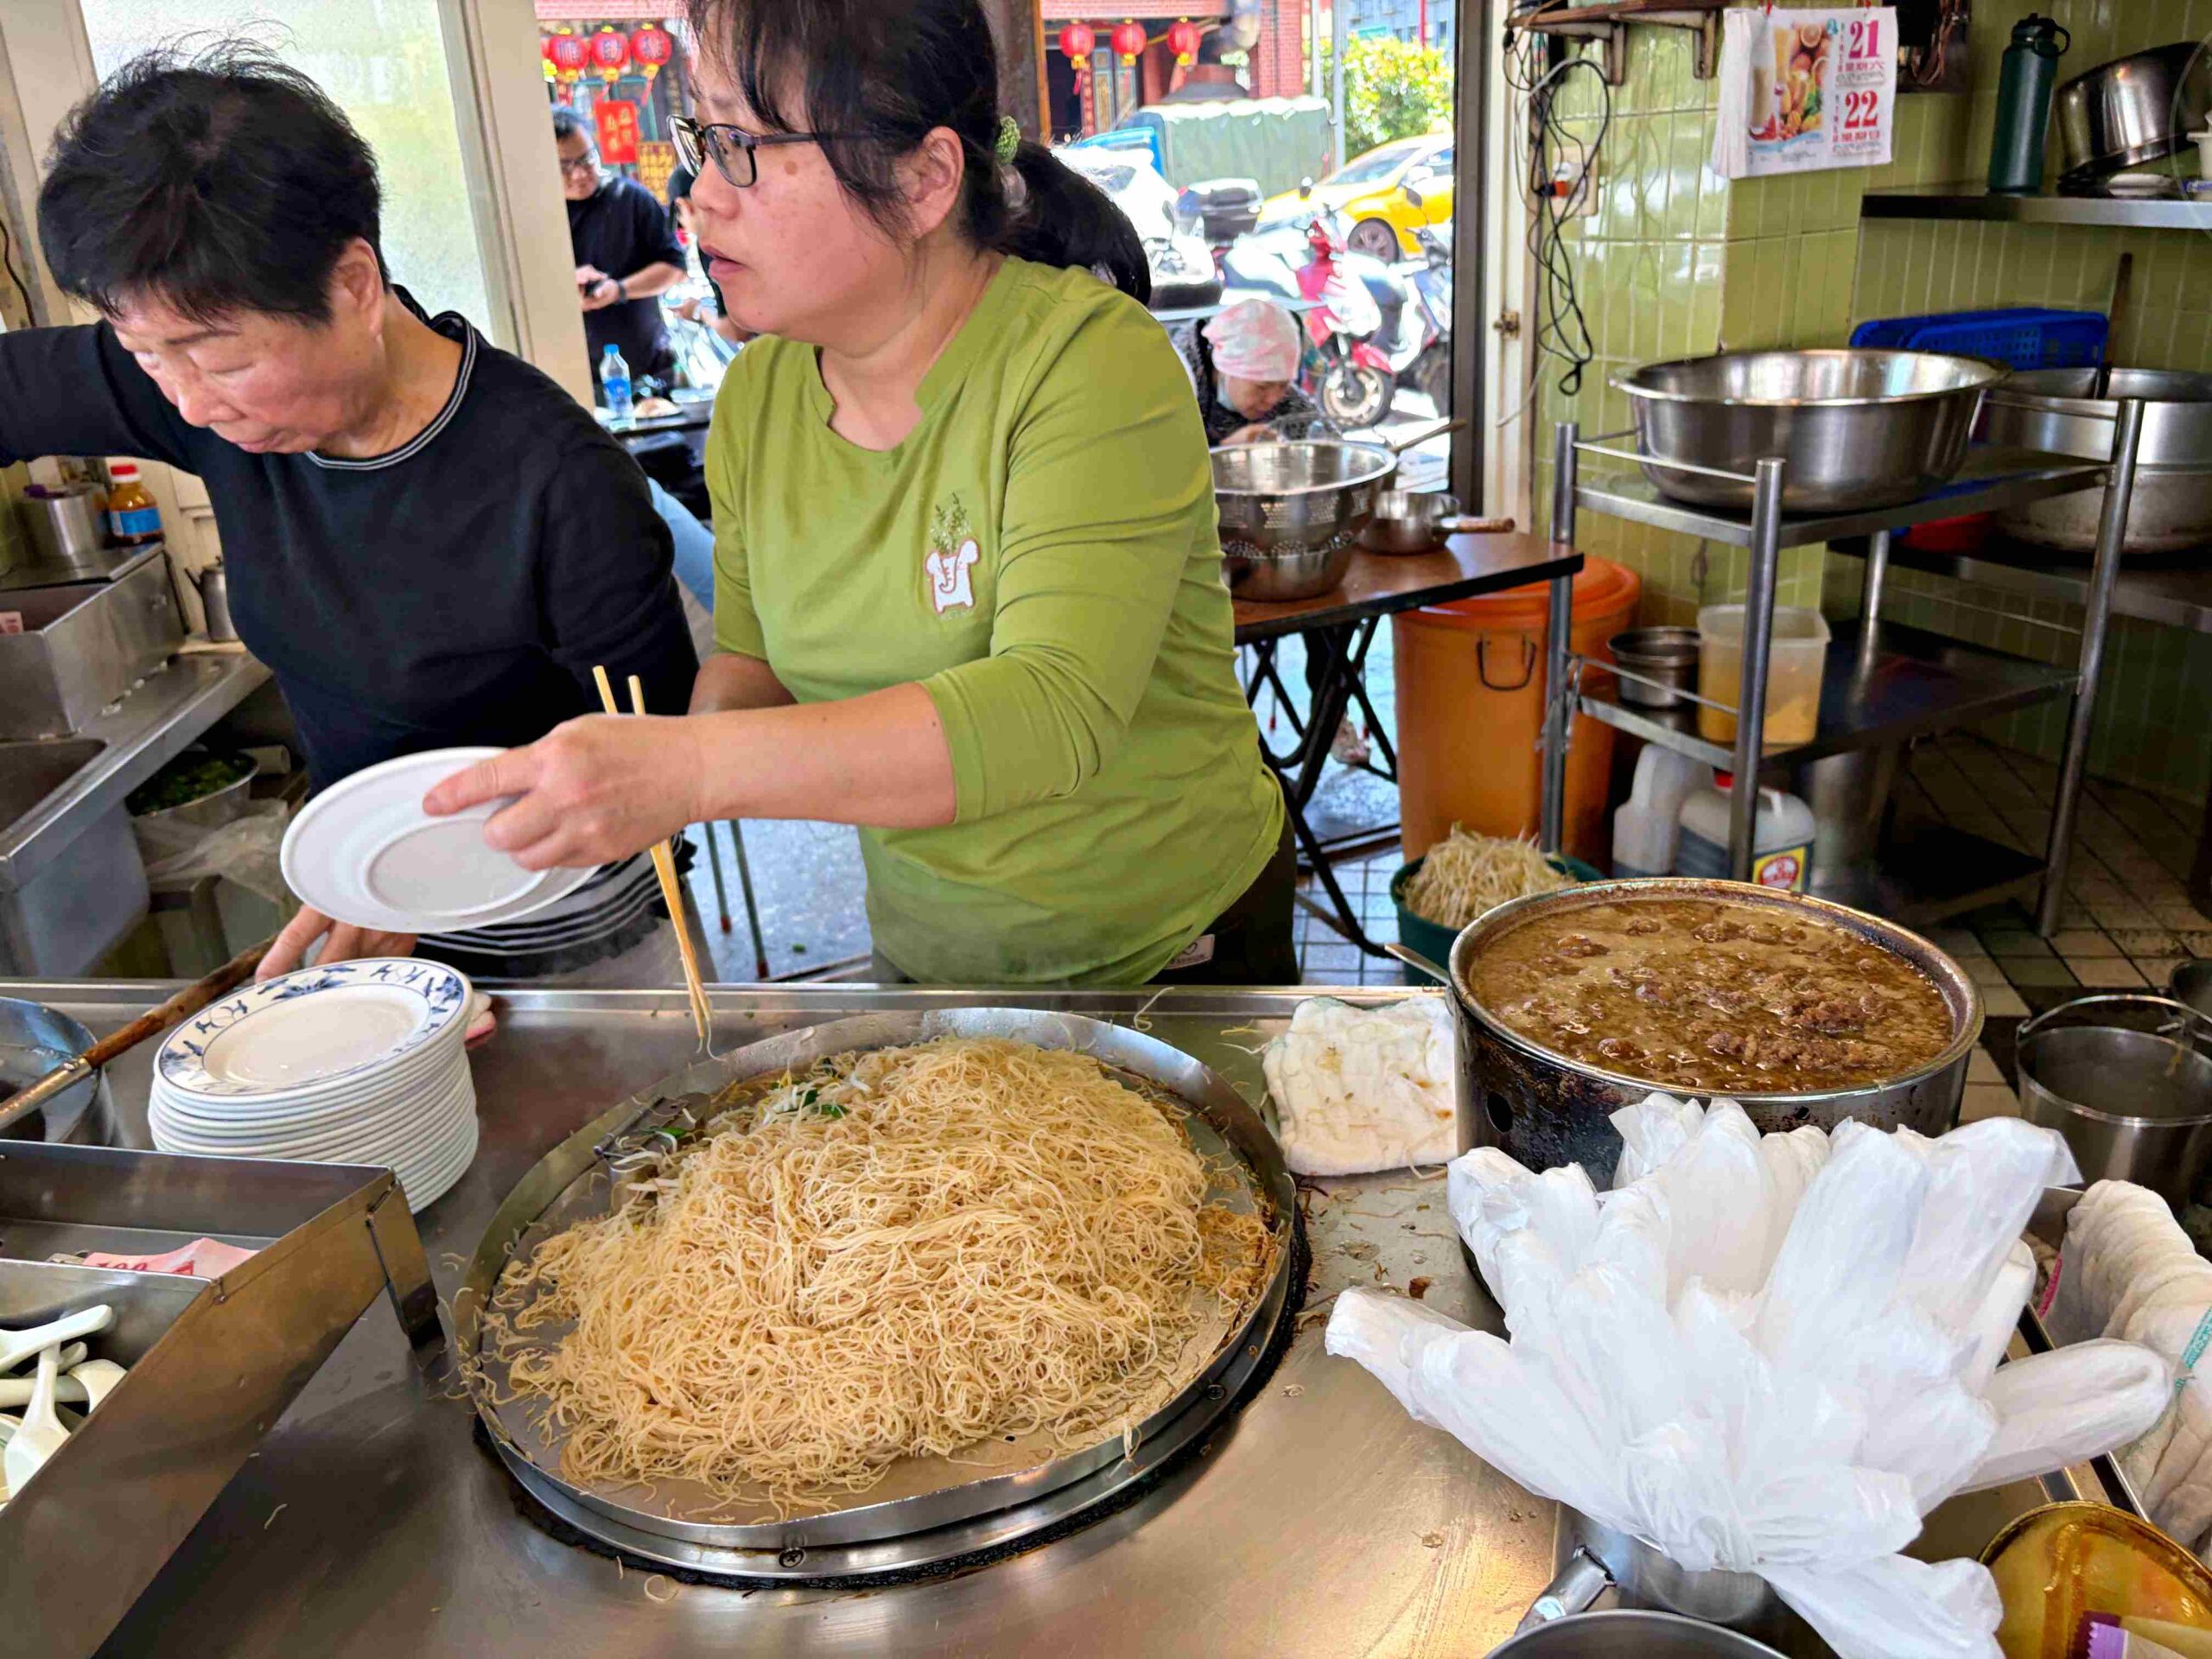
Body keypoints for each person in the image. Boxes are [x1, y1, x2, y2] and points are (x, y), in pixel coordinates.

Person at [428, 0, 1293, 987]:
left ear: (923, 179)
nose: (700, 196)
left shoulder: (1089, 361)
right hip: (933, 957)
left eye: (744, 147)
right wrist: (627, 781)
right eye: (703, 138)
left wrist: (691, 772)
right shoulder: (757, 397)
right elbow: (755, 663)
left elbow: (1052, 708)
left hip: (1171, 949)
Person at [0, 46, 698, 982]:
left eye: (225, 362)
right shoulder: (194, 379)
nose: (191, 403)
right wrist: (390, 895)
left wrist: (439, 883)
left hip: (565, 934)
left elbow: (659, 760)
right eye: (148, 355)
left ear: (354, 285)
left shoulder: (559, 481)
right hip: (367, 912)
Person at [555, 106, 686, 394]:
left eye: (587, 159)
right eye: (565, 166)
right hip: (572, 377)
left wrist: (620, 290)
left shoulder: (629, 198)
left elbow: (675, 267)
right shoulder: (538, 217)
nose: (580, 174)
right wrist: (564, 289)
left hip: (647, 370)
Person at [1171, 297, 1331, 446]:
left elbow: (1327, 441)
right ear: (1225, 369)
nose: (1273, 400)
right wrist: (1224, 448)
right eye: (1261, 387)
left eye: (1284, 385)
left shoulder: (1285, 399)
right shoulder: (1177, 389)